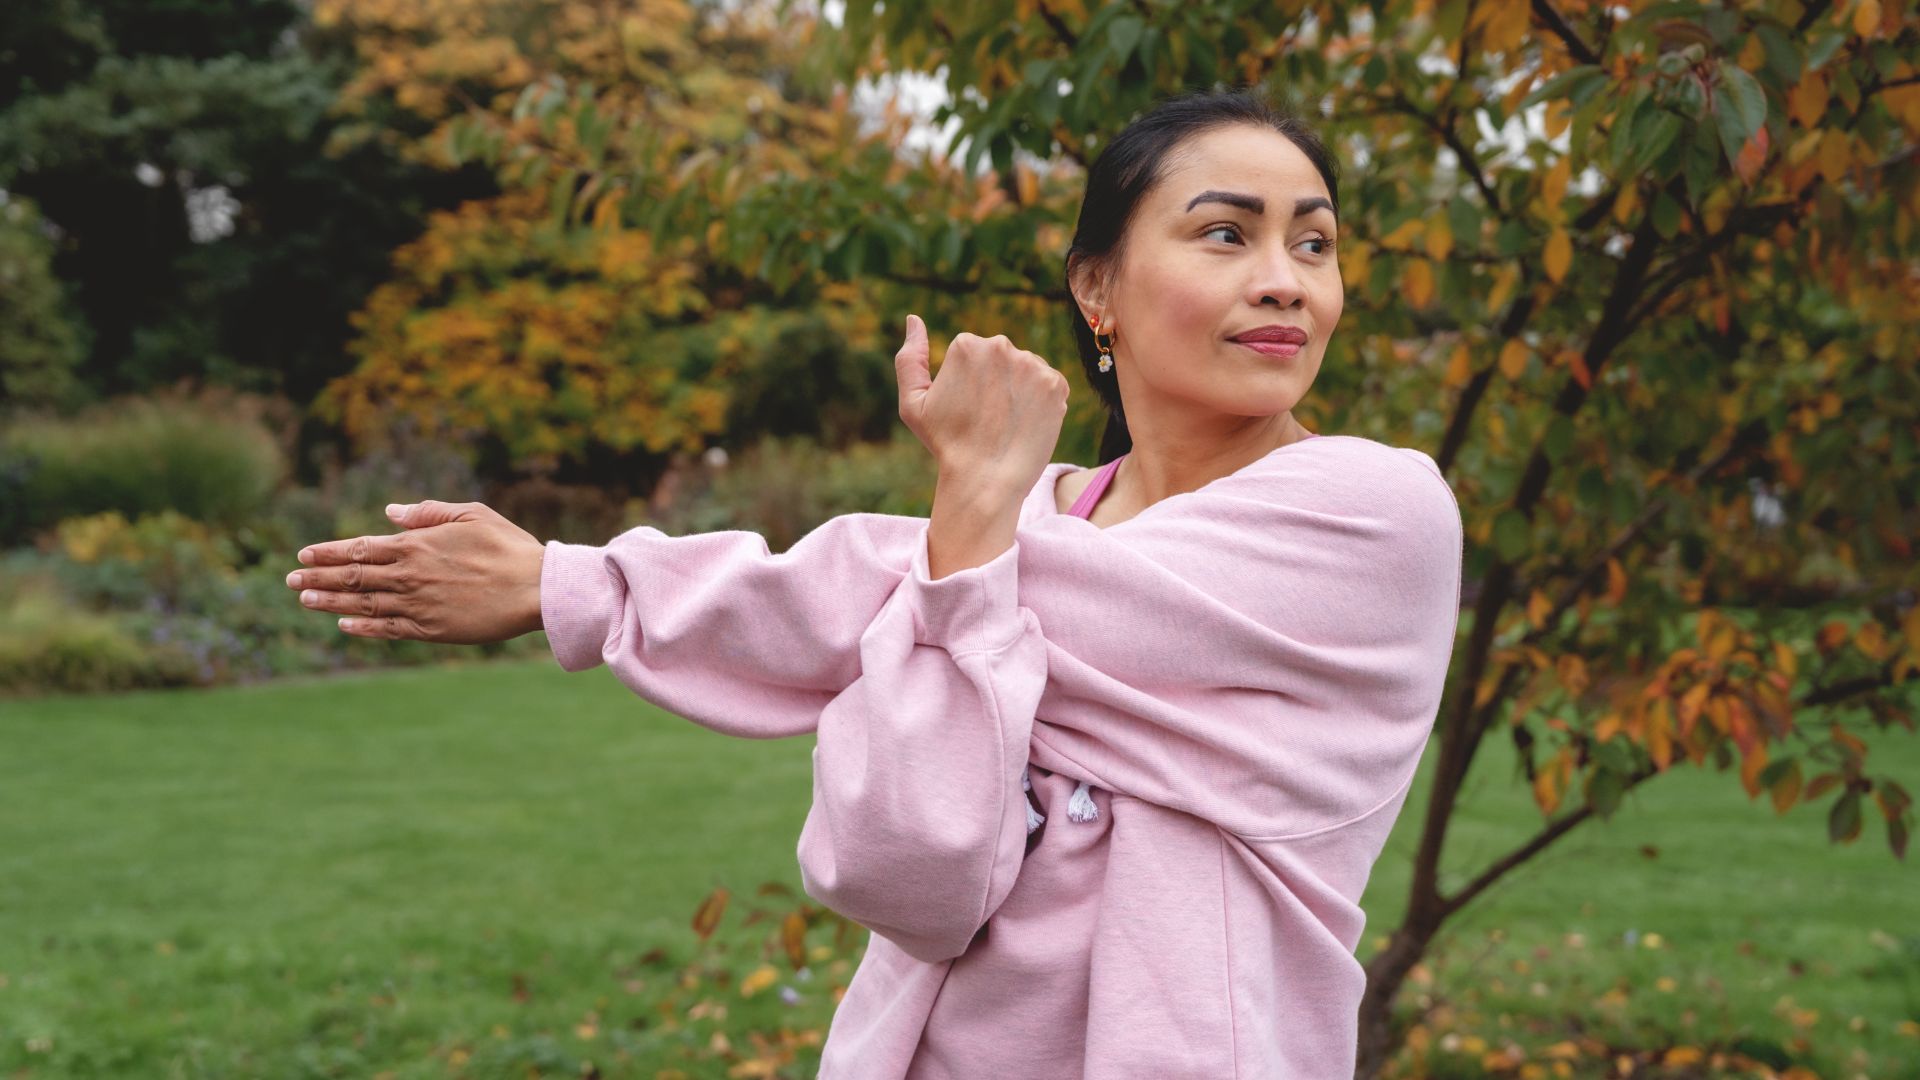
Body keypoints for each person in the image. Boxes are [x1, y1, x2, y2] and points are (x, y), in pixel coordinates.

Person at [286, 87, 1463, 1077]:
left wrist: (579, 584)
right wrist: (971, 534)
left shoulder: (1376, 516)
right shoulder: (1010, 524)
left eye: (1314, 243)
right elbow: (908, 875)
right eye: (1227, 235)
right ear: (1097, 289)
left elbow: (863, 587)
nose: (1285, 280)